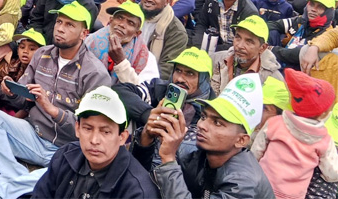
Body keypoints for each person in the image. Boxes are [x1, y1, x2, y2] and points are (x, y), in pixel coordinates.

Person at [0, 2, 112, 199]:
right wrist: (11, 91)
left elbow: (91, 129)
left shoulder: (95, 73)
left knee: (82, 164)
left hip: (68, 148)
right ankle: (20, 178)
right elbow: (23, 99)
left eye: (70, 25)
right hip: (33, 134)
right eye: (59, 22)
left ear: (84, 33)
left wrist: (52, 109)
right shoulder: (42, 54)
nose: (61, 29)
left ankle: (3, 187)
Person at [132, 74, 275, 199]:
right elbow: (144, 181)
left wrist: (169, 159)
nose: (202, 125)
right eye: (204, 116)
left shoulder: (244, 183)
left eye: (217, 123)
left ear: (241, 140)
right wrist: (147, 137)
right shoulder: (196, 154)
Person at [32, 86, 161, 199]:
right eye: (88, 129)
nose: (94, 140)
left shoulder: (137, 190)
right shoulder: (64, 156)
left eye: (105, 132)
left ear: (122, 137)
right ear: (77, 129)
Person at [252, 68, 338, 199]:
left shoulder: (275, 123)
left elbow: (255, 153)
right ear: (325, 113)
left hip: (261, 186)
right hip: (293, 195)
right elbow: (331, 173)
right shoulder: (324, 140)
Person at [85, 0, 159, 84]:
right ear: (111, 20)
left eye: (130, 23)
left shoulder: (146, 58)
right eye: (119, 18)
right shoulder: (91, 41)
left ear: (137, 33)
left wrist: (121, 62)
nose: (122, 25)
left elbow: (143, 91)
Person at [210, 15, 283, 95]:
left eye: (249, 41)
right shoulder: (216, 60)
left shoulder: (273, 79)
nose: (240, 46)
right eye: (238, 37)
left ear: (262, 48)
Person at [192, 0, 259, 53]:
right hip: (213, 43)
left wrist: (214, 50)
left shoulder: (249, 12)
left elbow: (246, 42)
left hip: (236, 50)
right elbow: (201, 24)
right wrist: (198, 46)